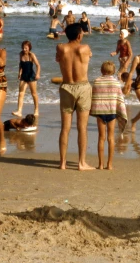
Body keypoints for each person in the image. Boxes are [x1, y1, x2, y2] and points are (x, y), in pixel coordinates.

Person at [55, 23, 95, 170]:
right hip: (82, 87)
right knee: (82, 127)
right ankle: (81, 162)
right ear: (79, 35)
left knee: (65, 128)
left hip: (66, 87)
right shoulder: (85, 48)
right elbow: (88, 56)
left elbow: (58, 59)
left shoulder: (60, 47)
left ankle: (63, 163)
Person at [91, 61, 128, 170]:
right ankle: (110, 164)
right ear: (113, 71)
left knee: (101, 138)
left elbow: (94, 96)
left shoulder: (97, 81)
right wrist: (121, 112)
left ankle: (101, 165)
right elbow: (119, 99)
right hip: (112, 111)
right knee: (111, 138)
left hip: (100, 111)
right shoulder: (116, 83)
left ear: (102, 70)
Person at [12, 40, 40, 117]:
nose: (24, 49)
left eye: (26, 48)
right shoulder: (21, 54)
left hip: (31, 76)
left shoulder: (32, 55)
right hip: (23, 76)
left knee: (33, 94)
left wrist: (37, 74)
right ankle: (19, 111)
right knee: (21, 93)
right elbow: (21, 65)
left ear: (29, 48)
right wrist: (19, 73)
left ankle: (36, 110)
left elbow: (38, 65)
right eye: (23, 48)